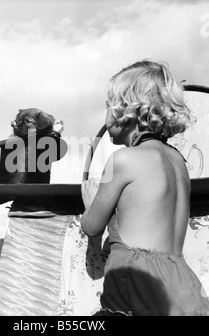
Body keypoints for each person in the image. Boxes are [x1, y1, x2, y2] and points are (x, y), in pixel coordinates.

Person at [80, 60, 209, 316]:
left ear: (126, 110)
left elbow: (92, 226)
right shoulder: (178, 162)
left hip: (138, 285)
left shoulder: (123, 160)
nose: (105, 115)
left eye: (108, 105)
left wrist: (90, 202)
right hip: (181, 283)